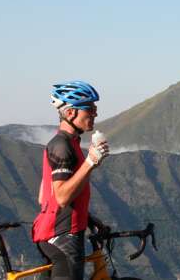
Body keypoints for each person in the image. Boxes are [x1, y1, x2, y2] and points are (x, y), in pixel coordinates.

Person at [31, 81, 110, 280]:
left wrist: (88, 217)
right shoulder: (62, 146)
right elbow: (62, 197)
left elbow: (44, 196)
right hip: (63, 235)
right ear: (70, 113)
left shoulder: (68, 143)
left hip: (57, 231)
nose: (95, 114)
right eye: (90, 109)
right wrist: (91, 162)